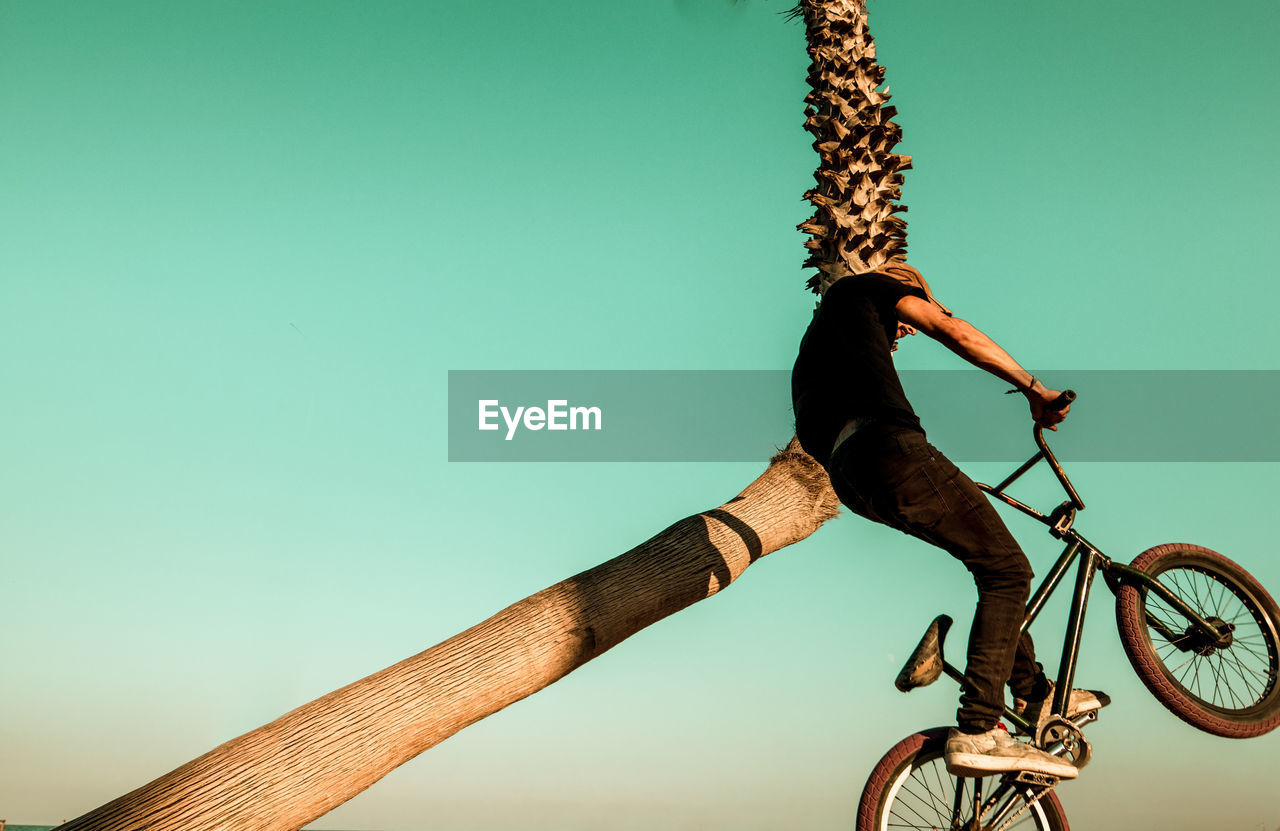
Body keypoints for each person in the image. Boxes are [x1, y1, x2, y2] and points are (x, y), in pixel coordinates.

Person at [790, 263, 1104, 779]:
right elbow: (952, 331)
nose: (910, 328)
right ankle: (979, 728)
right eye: (915, 312)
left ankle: (1037, 696)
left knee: (987, 563)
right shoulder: (866, 289)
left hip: (853, 478)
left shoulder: (813, 357)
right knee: (1007, 569)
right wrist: (1034, 389)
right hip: (887, 449)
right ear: (904, 289)